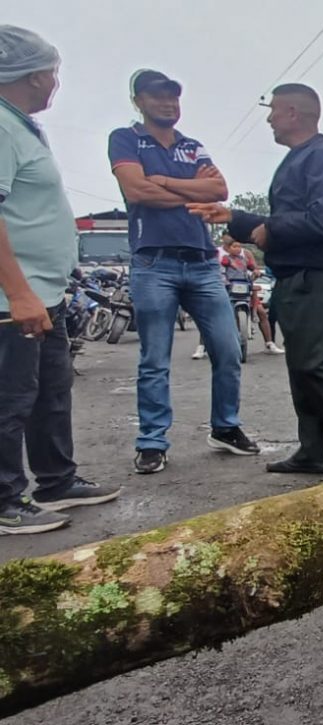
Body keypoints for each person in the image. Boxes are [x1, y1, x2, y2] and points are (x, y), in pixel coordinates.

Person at [188, 83, 323, 477]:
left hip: (318, 277)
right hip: (295, 277)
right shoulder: (300, 159)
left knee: (312, 362)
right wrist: (234, 218)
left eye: (274, 110)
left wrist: (269, 228)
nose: (269, 118)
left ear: (294, 113)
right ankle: (313, 451)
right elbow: (280, 223)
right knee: (299, 366)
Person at [0, 25, 121, 534]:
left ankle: (57, 479)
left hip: (44, 291)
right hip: (13, 296)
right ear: (33, 75)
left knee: (52, 388)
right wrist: (19, 292)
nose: (56, 82)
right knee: (11, 397)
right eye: (53, 72)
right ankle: (4, 499)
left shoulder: (21, 125)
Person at [108, 68, 259, 474]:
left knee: (229, 349)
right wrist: (184, 186)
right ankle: (152, 441)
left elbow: (218, 191)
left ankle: (225, 427)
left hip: (204, 262)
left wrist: (161, 180)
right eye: (158, 97)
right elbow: (136, 191)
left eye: (174, 98)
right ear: (138, 100)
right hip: (153, 262)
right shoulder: (126, 139)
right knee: (154, 358)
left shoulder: (192, 147)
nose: (169, 104)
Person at [193, 233, 284, 358]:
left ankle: (269, 343)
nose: (237, 248)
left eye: (238, 245)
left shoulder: (245, 255)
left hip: (245, 287)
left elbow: (254, 267)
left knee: (261, 312)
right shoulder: (217, 253)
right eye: (233, 245)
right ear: (225, 242)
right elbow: (210, 267)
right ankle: (202, 347)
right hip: (224, 286)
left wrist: (256, 272)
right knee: (210, 313)